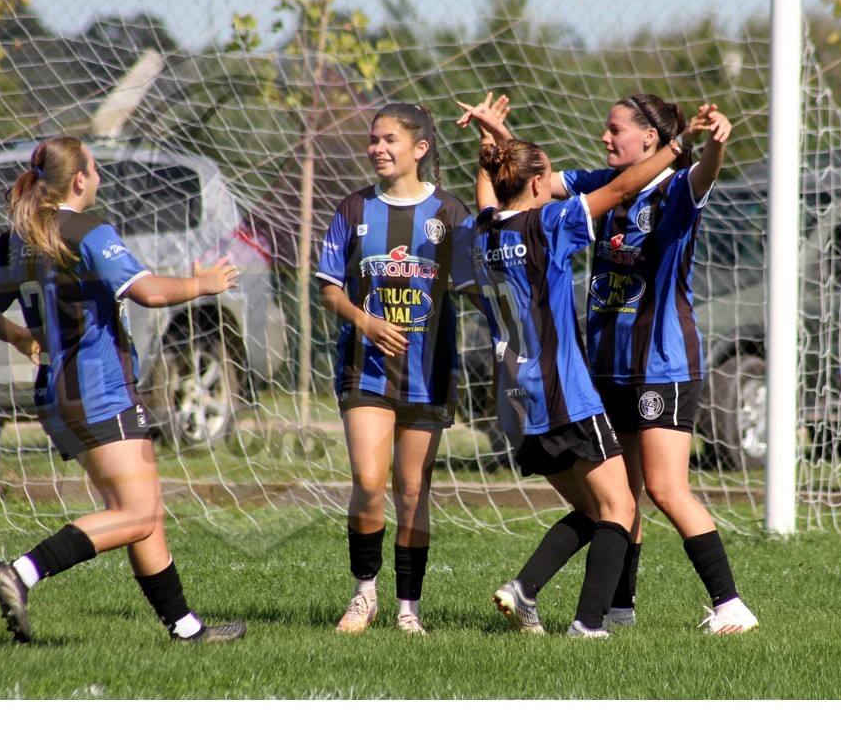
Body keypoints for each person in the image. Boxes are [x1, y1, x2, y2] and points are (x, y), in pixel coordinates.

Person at [472, 93, 760, 634]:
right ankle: (617, 609)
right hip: (602, 366)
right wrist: (500, 148)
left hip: (661, 364)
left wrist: (710, 146)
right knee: (623, 498)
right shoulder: (595, 184)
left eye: (615, 129)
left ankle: (729, 604)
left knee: (664, 489)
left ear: (649, 138)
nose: (604, 137)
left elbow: (702, 173)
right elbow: (529, 186)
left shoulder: (674, 186)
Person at [0, 135, 247, 644]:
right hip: (100, 390)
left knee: (142, 510)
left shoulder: (18, 238)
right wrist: (201, 286)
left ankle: (186, 628)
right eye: (94, 169)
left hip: (58, 394)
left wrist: (22, 337)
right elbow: (148, 292)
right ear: (79, 180)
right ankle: (22, 572)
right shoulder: (86, 230)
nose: (98, 177)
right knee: (136, 513)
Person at [457, 94, 683, 638]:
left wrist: (491, 145)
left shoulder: (481, 232)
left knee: (594, 511)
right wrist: (675, 148)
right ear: (538, 184)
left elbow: (488, 193)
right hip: (566, 395)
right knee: (621, 508)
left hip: (517, 405)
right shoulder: (547, 225)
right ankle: (589, 623)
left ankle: (524, 589)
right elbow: (622, 189)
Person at [316, 102, 475, 636]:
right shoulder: (354, 208)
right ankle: (364, 595)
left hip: (430, 374)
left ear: (420, 149)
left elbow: (475, 283)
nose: (377, 148)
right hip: (364, 370)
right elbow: (329, 289)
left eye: (389, 140)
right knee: (368, 481)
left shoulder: (449, 211)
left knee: (412, 491)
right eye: (373, 139)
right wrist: (366, 321)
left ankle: (409, 608)